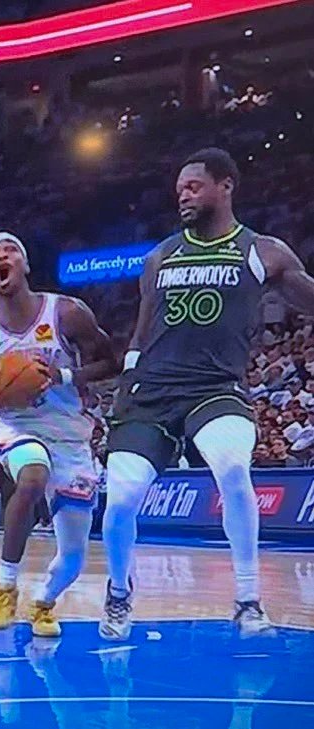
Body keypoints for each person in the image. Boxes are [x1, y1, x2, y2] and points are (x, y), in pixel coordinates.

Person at [102, 147, 314, 641]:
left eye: (194, 187)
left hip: (216, 388)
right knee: (121, 501)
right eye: (179, 190)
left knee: (234, 469)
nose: (184, 196)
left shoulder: (263, 252)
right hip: (153, 390)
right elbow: (141, 330)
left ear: (226, 186)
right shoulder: (160, 256)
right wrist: (128, 378)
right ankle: (118, 591)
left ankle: (248, 599)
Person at [0, 232, 118, 637]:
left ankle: (44, 601)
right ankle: (4, 586)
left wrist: (64, 376)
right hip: (17, 427)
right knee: (32, 477)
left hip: (69, 434)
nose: (2, 256)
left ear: (25, 265)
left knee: (74, 556)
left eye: (10, 250)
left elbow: (112, 362)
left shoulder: (67, 313)